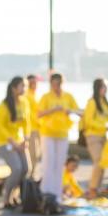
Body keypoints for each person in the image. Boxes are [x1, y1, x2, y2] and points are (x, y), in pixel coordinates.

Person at [37, 72, 81, 205]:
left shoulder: (68, 97)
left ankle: (57, 194)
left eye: (59, 83)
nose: (57, 86)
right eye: (55, 84)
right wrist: (53, 110)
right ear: (51, 84)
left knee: (59, 164)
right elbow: (38, 114)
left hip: (63, 134)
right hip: (48, 133)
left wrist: (70, 111)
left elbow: (79, 111)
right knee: (48, 163)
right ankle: (45, 192)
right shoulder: (45, 97)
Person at [0, 76, 31, 209]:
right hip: (5, 142)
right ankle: (6, 198)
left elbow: (27, 123)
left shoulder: (24, 102)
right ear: (14, 88)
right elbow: (0, 127)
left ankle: (15, 195)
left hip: (19, 141)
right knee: (16, 168)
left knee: (26, 168)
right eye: (22, 86)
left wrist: (26, 140)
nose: (24, 89)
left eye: (25, 86)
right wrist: (14, 143)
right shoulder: (4, 105)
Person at [82, 78, 108, 198]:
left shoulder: (105, 102)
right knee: (98, 161)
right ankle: (92, 188)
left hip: (104, 136)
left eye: (105, 87)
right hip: (93, 136)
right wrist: (103, 126)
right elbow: (88, 121)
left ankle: (97, 187)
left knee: (103, 162)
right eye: (102, 87)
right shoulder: (92, 102)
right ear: (97, 88)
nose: (104, 89)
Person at [25, 74, 41, 177]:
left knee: (37, 154)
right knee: (32, 153)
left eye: (35, 82)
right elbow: (29, 114)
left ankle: (32, 174)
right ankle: (30, 175)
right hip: (31, 129)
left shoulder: (36, 95)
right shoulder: (27, 95)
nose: (34, 84)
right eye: (32, 82)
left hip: (38, 128)